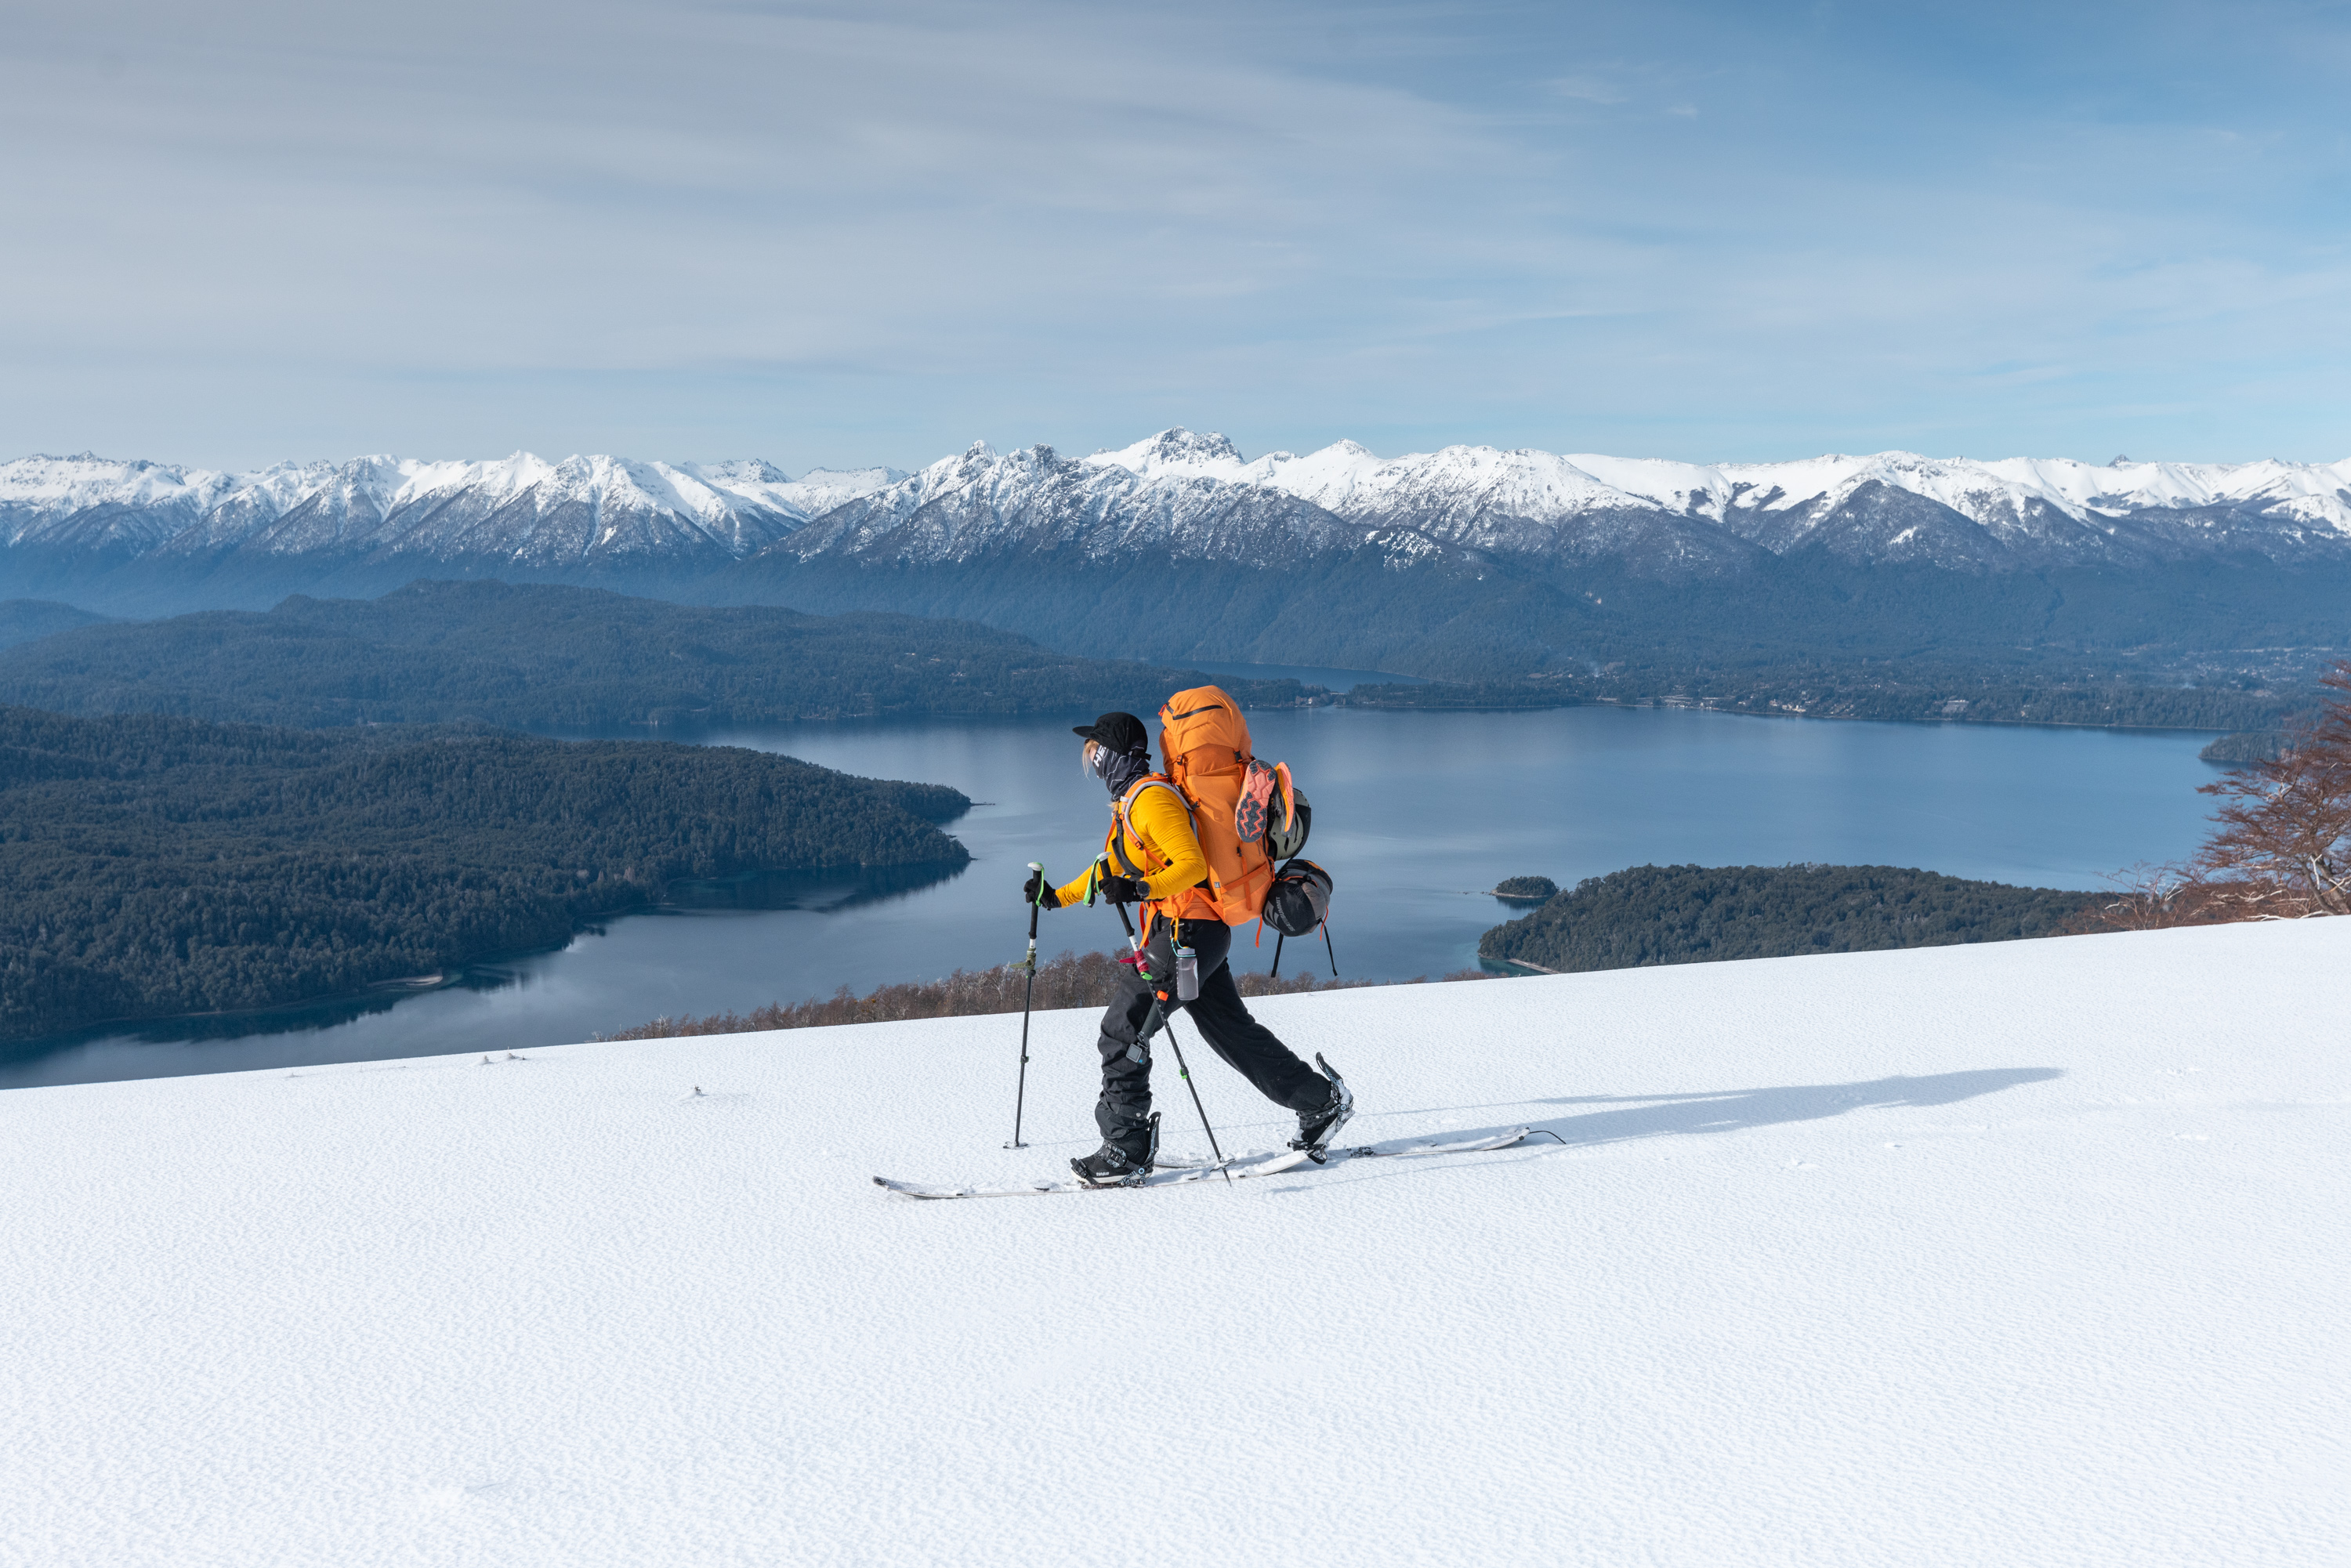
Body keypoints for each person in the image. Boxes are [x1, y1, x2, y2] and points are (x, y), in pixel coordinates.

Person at [1023, 710, 1351, 1186]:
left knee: (1123, 1028)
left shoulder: (1151, 801)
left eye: (1095, 755)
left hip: (1186, 936)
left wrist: (1140, 891)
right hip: (1195, 933)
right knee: (1231, 1033)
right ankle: (1320, 1102)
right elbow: (1107, 872)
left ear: (1113, 756)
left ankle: (1127, 1147)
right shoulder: (1131, 804)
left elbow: (1192, 867)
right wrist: (1055, 897)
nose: (1091, 764)